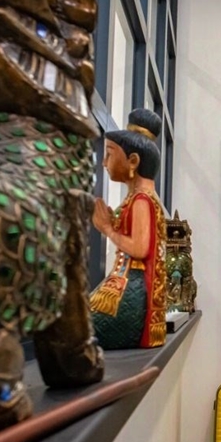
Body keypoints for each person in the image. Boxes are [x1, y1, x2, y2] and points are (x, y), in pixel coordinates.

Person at [89, 109, 168, 349]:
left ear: (133, 161)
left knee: (80, 329)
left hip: (131, 291)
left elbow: (140, 248)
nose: (104, 162)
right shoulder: (137, 198)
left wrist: (107, 229)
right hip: (124, 285)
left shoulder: (142, 200)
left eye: (110, 154)